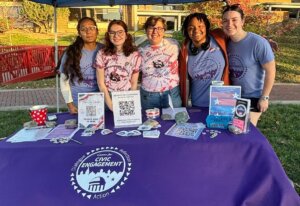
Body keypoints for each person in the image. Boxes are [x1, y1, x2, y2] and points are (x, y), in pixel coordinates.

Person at [222, 4, 276, 126]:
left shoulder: (258, 43)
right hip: (233, 96)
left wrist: (265, 97)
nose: (229, 24)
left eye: (234, 20)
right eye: (225, 21)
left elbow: (271, 71)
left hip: (253, 97)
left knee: (246, 130)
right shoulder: (226, 43)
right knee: (231, 130)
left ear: (243, 21)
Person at [179, 13, 230, 107]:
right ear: (186, 30)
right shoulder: (184, 50)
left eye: (200, 26)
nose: (196, 30)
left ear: (206, 27)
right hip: (197, 104)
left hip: (222, 102)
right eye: (191, 27)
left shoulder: (220, 38)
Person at [59, 17, 103, 114]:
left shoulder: (104, 50)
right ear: (79, 33)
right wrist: (70, 104)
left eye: (92, 28)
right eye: (83, 29)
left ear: (97, 31)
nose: (88, 32)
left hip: (101, 102)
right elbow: (63, 80)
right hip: (78, 104)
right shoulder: (71, 52)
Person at [94, 20, 141, 111]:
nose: (116, 36)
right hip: (107, 96)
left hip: (127, 97)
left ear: (126, 35)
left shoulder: (135, 55)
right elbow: (101, 83)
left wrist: (129, 101)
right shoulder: (102, 54)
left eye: (120, 32)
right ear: (108, 35)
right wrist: (111, 105)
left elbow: (134, 83)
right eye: (112, 33)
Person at [139, 16, 182, 110]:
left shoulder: (174, 45)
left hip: (172, 93)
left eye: (159, 28)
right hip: (148, 97)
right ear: (146, 30)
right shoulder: (139, 50)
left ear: (164, 30)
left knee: (176, 121)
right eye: (151, 28)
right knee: (150, 123)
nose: (155, 31)